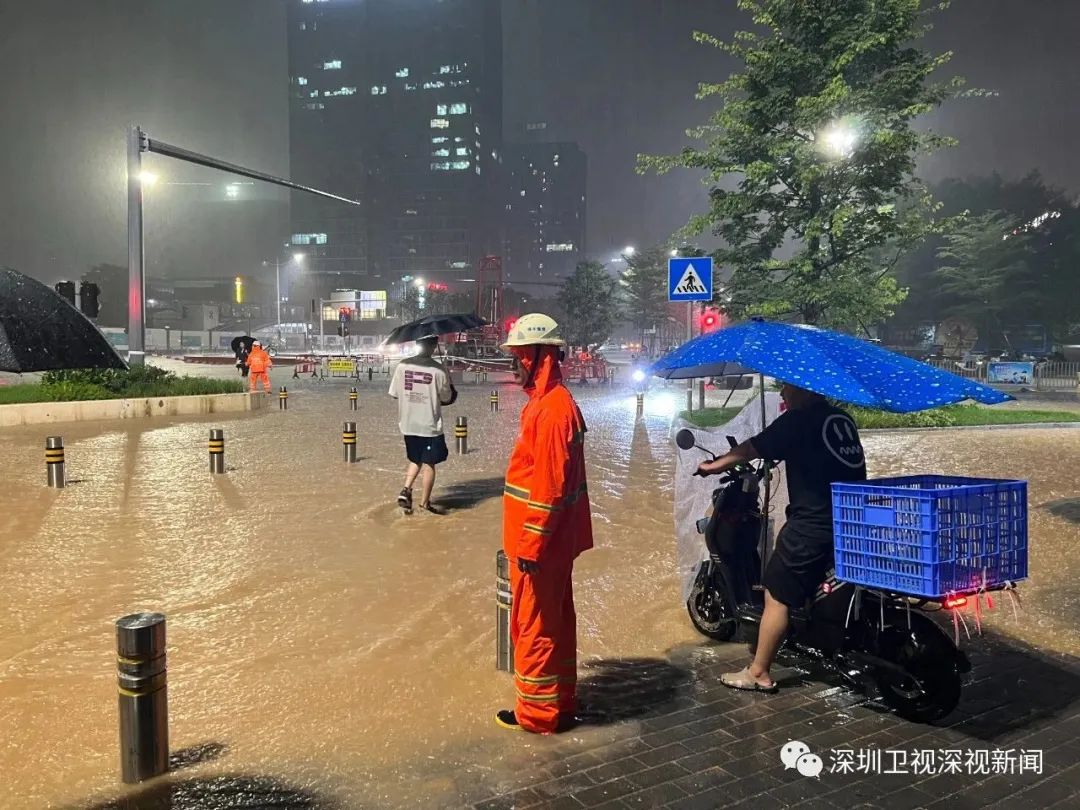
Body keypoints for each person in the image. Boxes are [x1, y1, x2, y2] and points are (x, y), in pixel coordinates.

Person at [695, 382, 866, 692]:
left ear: (805, 389)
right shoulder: (841, 418)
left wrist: (713, 466)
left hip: (812, 523)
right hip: (850, 517)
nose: (784, 393)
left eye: (788, 387)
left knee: (777, 591)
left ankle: (758, 672)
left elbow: (751, 449)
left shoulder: (798, 420)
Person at [496, 313, 593, 734]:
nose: (513, 366)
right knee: (554, 621)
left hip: (538, 546)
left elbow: (549, 488)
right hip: (548, 542)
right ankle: (560, 702)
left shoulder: (553, 411)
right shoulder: (547, 403)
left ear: (540, 357)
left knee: (534, 625)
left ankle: (536, 716)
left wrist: (531, 545)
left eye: (518, 357)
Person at [387, 334, 457, 514]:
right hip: (429, 426)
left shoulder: (402, 365)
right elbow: (447, 398)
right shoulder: (439, 370)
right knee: (429, 464)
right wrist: (449, 384)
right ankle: (425, 504)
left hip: (408, 424)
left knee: (415, 459)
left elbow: (394, 394)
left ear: (418, 344)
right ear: (434, 346)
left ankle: (406, 489)